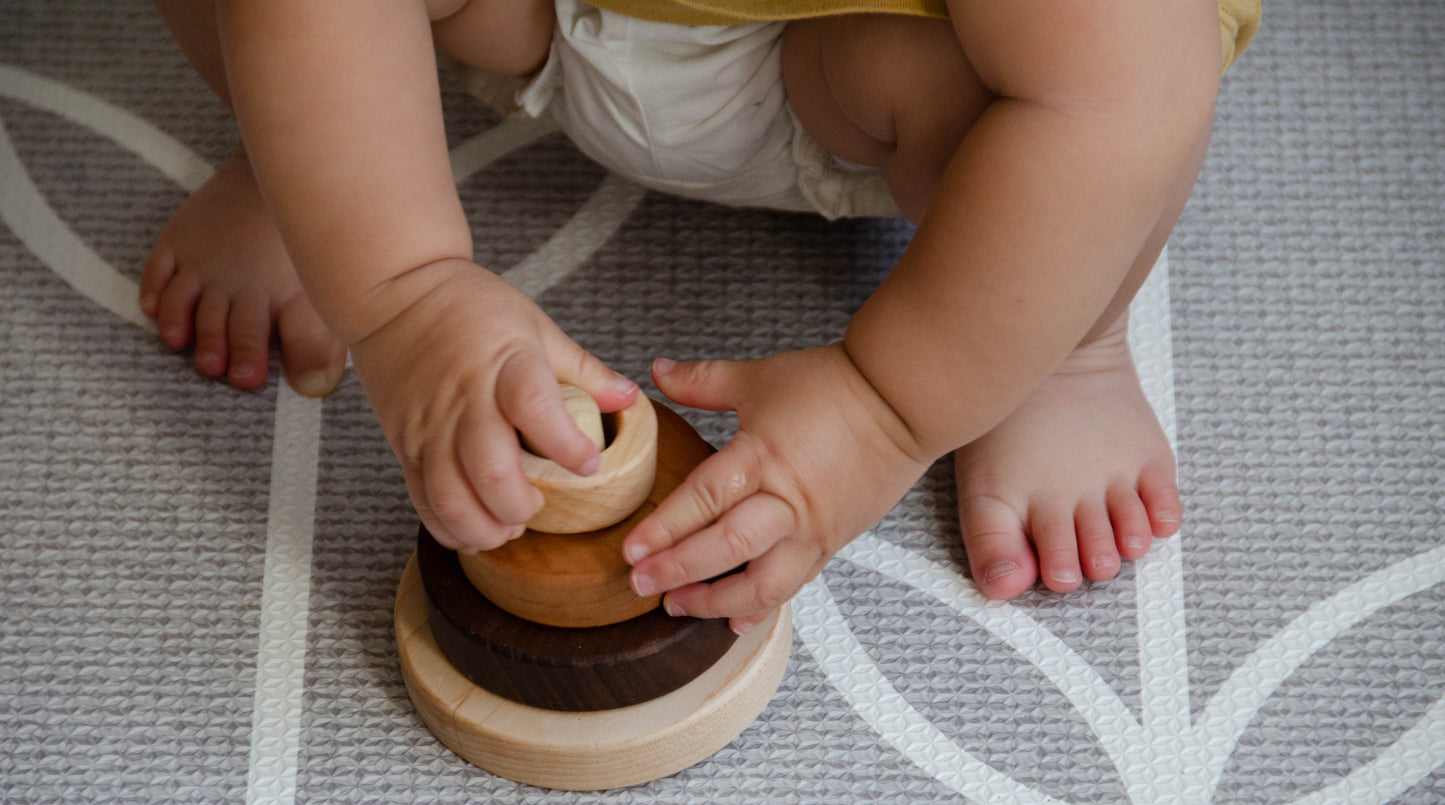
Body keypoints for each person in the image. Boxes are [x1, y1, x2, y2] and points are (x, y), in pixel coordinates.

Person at [140, 0, 1259, 632]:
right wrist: (401, 292)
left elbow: (1120, 97)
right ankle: (305, 173)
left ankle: (1060, 350)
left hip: (867, 59)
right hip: (535, 19)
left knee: (1109, 94)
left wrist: (881, 412)